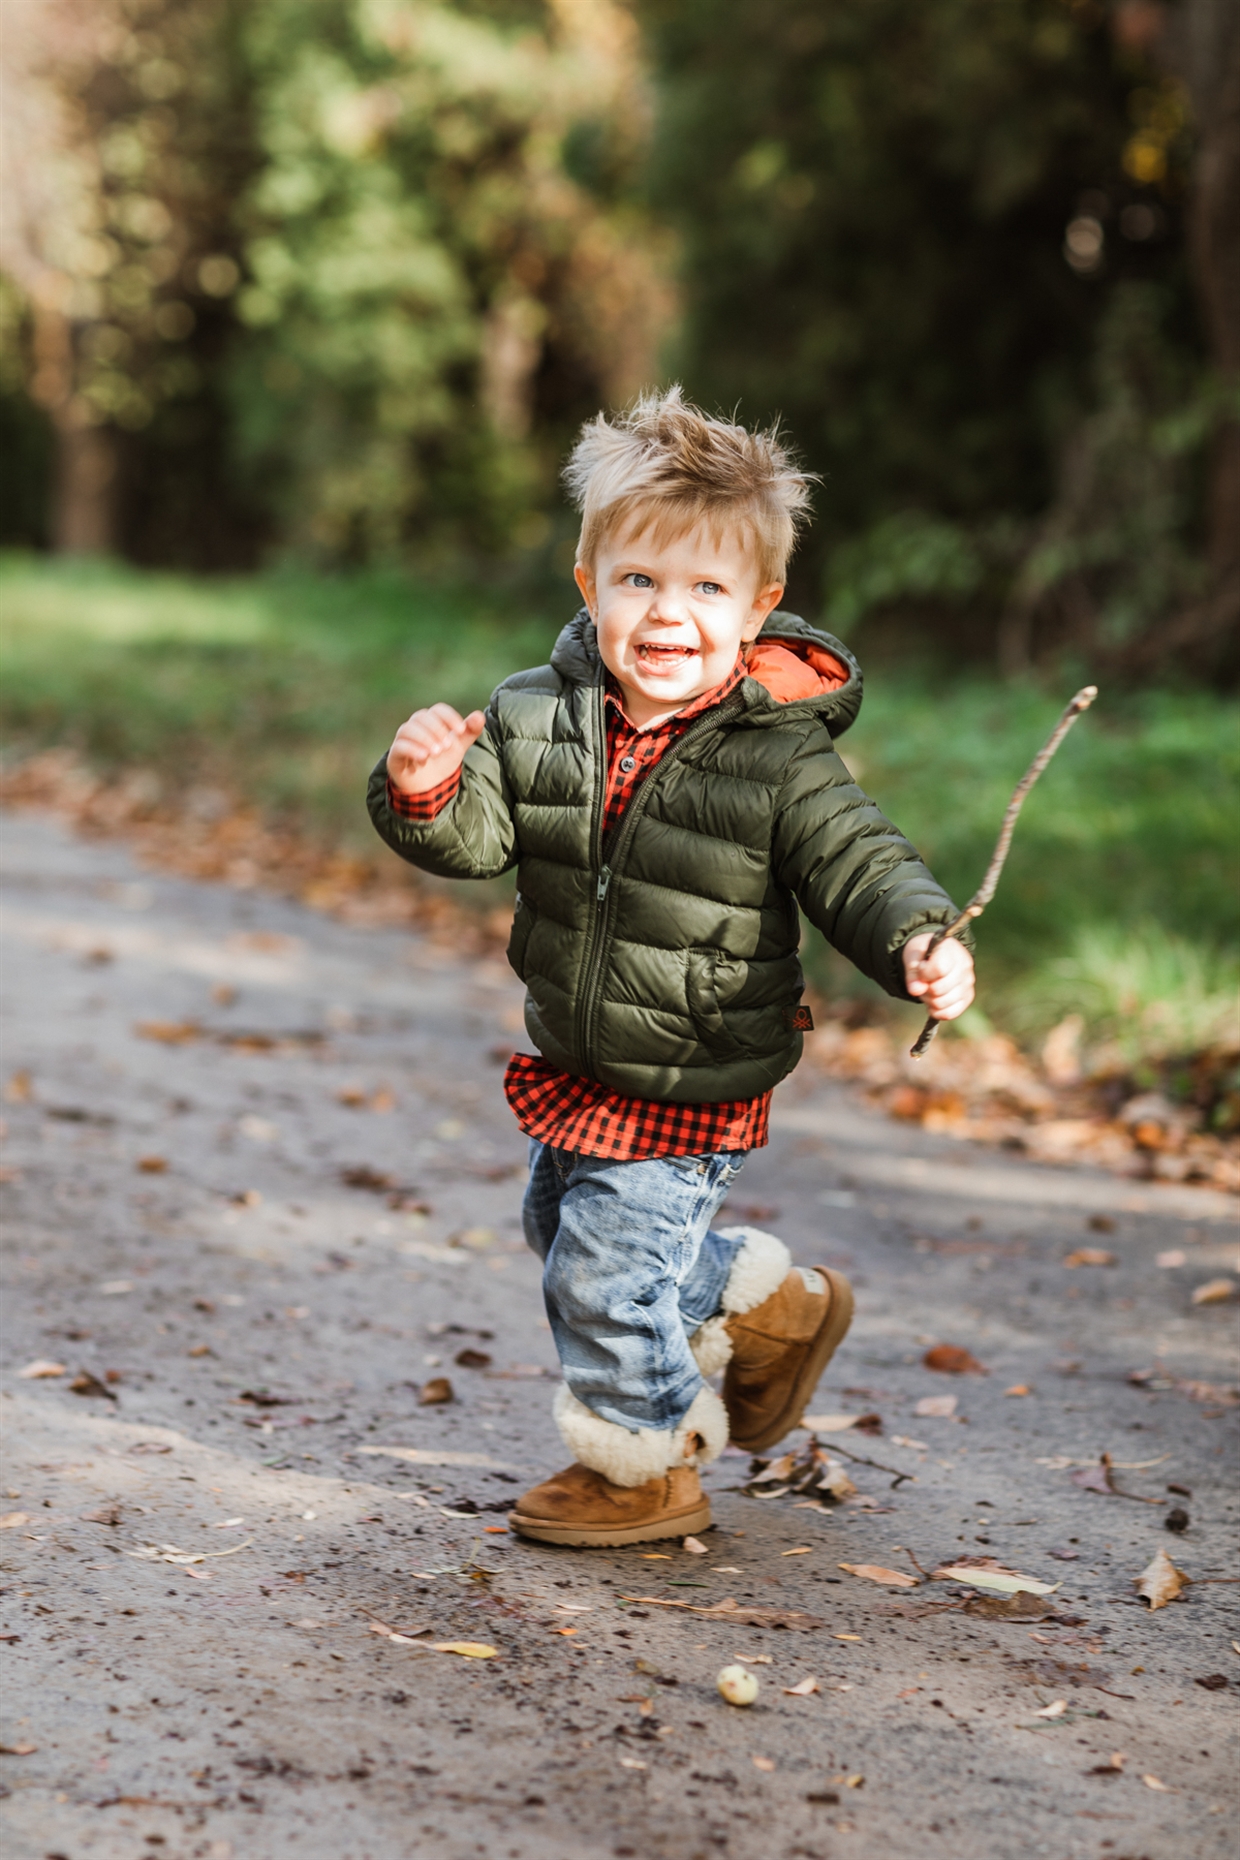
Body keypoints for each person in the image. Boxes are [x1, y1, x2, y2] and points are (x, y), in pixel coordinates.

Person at [368, 387, 974, 1548]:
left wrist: (918, 938)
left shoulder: (777, 757)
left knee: (602, 1273)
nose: (667, 613)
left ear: (758, 607)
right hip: (581, 1053)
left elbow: (859, 859)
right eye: (639, 579)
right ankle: (769, 1311)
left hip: (695, 1060)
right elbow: (477, 838)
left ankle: (643, 1462)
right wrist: (425, 790)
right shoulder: (536, 715)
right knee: (566, 1231)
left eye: (704, 589)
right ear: (588, 582)